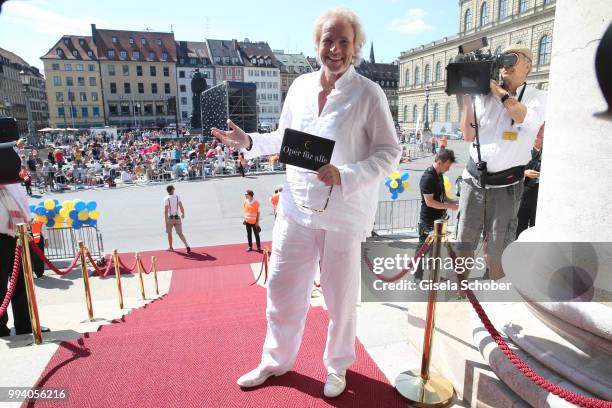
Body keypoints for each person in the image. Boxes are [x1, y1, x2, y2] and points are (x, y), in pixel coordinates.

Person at [211, 7, 400, 398]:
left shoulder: (368, 93)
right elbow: (284, 138)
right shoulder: (298, 87)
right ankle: (275, 361)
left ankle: (337, 367)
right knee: (281, 290)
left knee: (340, 300)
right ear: (317, 45)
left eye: (343, 41)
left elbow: (389, 153)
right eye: (327, 40)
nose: (334, 48)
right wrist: (249, 142)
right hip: (295, 209)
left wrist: (345, 174)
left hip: (342, 215)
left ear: (355, 47)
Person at [457, 44, 547, 280]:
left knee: (499, 245)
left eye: (513, 59)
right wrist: (467, 97)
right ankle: (459, 288)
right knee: (464, 240)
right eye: (503, 60)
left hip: (507, 186)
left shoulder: (538, 97)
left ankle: (494, 292)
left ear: (527, 66)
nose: (505, 64)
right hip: (473, 181)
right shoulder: (483, 97)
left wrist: (495, 89)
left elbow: (524, 118)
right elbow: (467, 134)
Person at [415, 149, 459, 280]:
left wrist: (456, 202)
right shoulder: (428, 178)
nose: (448, 169)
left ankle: (434, 276)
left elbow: (443, 197)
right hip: (428, 222)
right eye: (447, 166)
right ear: (439, 162)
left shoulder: (439, 175)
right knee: (422, 251)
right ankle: (418, 277)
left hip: (438, 221)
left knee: (436, 251)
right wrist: (450, 206)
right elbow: (430, 202)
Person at [0, 183, 34, 337]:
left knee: (23, 281)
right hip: (3, 235)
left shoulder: (13, 183)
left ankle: (25, 324)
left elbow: (24, 206)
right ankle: (1, 327)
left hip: (18, 234)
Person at [516, 123, 544, 238]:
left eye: (542, 130)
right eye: (539, 130)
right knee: (519, 226)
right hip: (523, 192)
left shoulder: (550, 151)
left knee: (536, 226)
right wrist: (525, 173)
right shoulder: (522, 148)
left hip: (539, 195)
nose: (540, 134)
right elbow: (512, 169)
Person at [163, 185, 190, 253]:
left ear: (167, 191)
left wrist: (166, 222)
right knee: (180, 233)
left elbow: (166, 211)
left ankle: (171, 247)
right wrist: (183, 214)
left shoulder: (166, 199)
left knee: (169, 233)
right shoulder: (177, 197)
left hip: (170, 218)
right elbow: (181, 206)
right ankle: (186, 245)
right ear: (173, 190)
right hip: (177, 217)